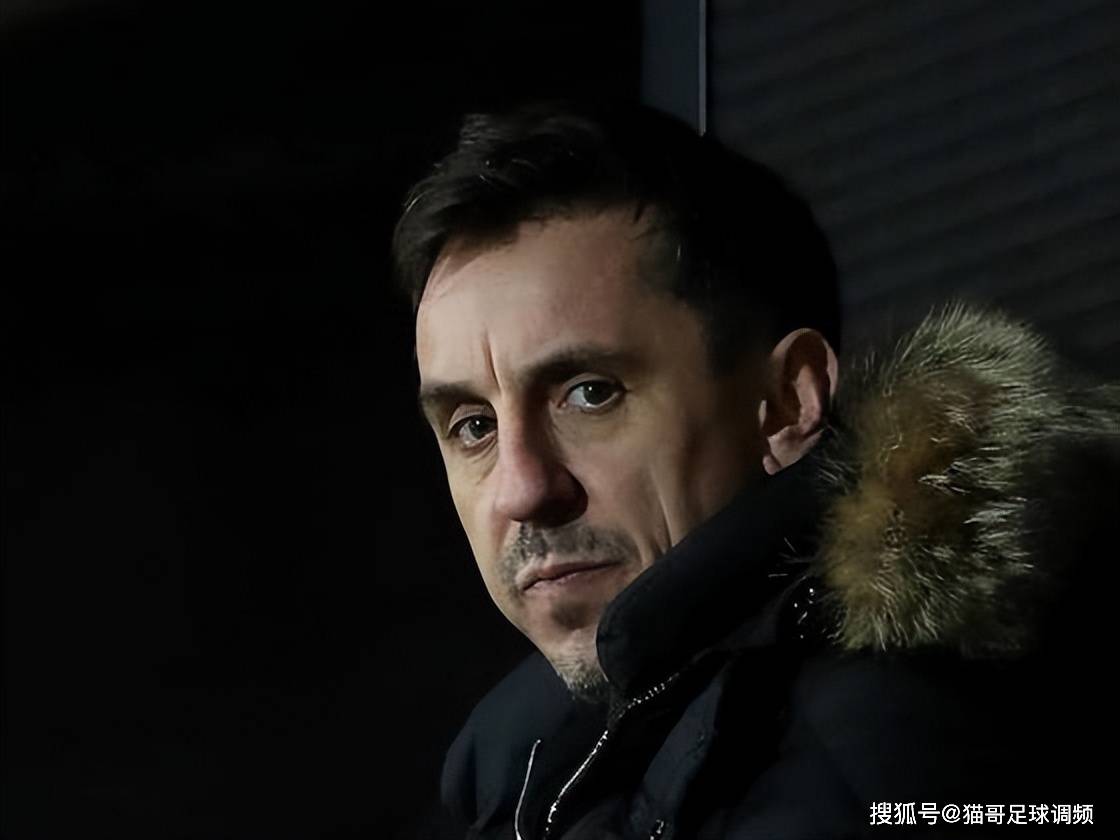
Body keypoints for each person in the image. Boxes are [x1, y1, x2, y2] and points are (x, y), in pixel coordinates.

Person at [391, 101, 1117, 839]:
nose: (522, 490)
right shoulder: (510, 771)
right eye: (474, 426)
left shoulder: (887, 758)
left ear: (787, 402)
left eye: (590, 394)